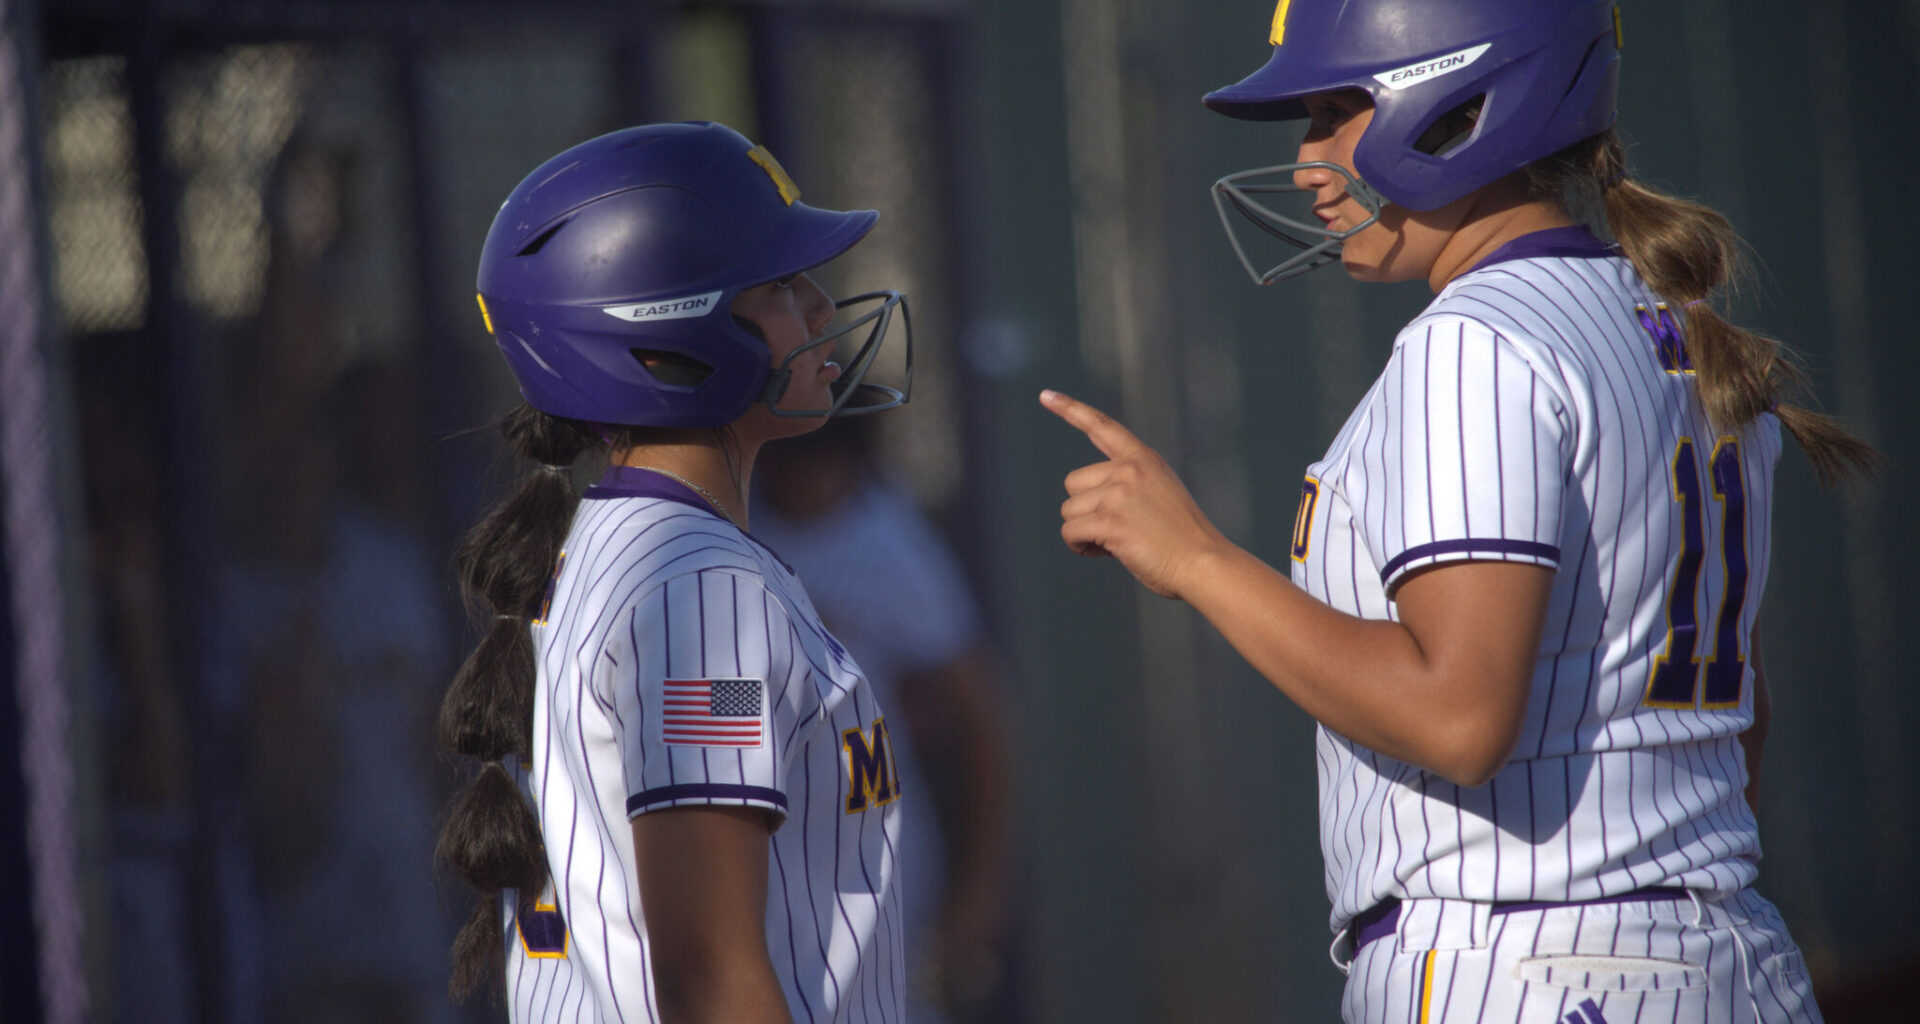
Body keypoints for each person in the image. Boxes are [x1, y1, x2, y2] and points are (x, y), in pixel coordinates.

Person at [1041, 2, 1875, 1022]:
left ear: (1460, 102)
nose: (1308, 159)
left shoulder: (1474, 343)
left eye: (1336, 110)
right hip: (1728, 958)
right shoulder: (1680, 327)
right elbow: (1739, 726)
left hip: (1528, 960)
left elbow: (1457, 715)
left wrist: (1197, 558)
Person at [436, 121, 914, 1023]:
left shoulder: (613, 550)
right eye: (781, 286)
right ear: (674, 335)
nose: (821, 307)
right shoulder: (698, 593)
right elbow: (709, 978)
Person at [754, 420, 1020, 1024]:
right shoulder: (731, 524)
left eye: (819, 458)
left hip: (870, 857)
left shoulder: (890, 545)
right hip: (762, 849)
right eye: (788, 458)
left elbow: (984, 721)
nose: (805, 477)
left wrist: (979, 892)